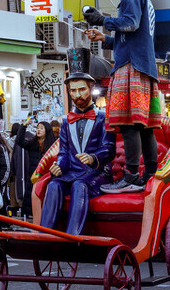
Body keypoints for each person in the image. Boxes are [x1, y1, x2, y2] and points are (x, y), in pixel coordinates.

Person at [85, 0, 162, 194]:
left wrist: (102, 20)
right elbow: (133, 34)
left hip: (131, 66)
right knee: (145, 125)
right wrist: (106, 39)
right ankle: (149, 173)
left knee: (130, 124)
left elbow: (129, 23)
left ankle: (130, 176)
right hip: (145, 66)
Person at [40, 70, 114, 236]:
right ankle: (44, 234)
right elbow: (64, 151)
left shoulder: (104, 117)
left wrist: (93, 158)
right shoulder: (66, 121)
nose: (77, 95)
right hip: (72, 171)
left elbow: (109, 148)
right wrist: (59, 165)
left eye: (81, 89)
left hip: (97, 173)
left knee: (79, 185)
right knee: (53, 185)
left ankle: (73, 235)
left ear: (91, 88)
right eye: (73, 91)